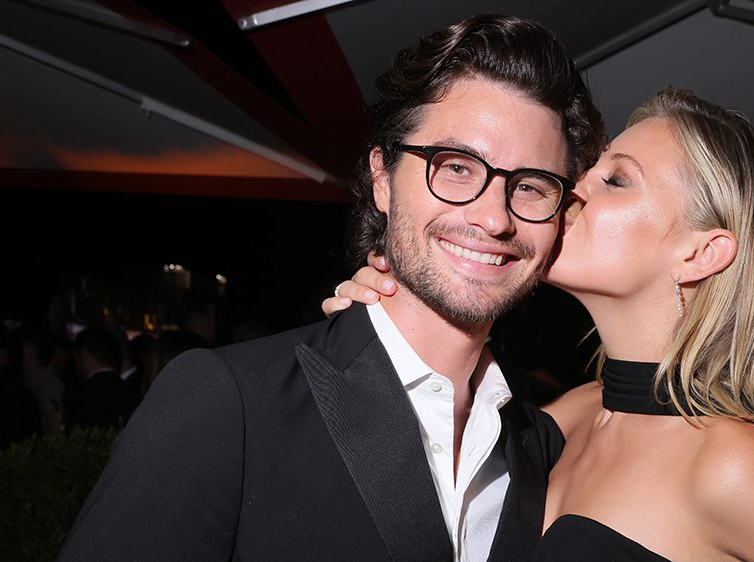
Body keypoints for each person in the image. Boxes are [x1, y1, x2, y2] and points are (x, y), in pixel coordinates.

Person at [58, 14, 603, 561]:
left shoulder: (536, 444)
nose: (493, 218)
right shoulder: (229, 402)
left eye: (531, 185)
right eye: (456, 167)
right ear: (383, 180)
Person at [327, 87, 754, 559]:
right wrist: (395, 332)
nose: (571, 189)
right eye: (590, 170)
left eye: (617, 180)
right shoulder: (567, 417)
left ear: (702, 253)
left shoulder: (731, 464)